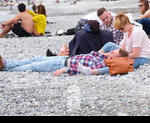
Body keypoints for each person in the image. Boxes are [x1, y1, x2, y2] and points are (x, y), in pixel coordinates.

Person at [0, 48, 129, 76]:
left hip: (62, 64)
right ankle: (7, 63)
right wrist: (106, 54)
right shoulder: (102, 57)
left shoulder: (104, 64)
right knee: (36, 59)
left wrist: (65, 70)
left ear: (116, 59)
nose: (111, 53)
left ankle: (6, 67)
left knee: (34, 66)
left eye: (113, 54)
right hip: (63, 59)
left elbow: (84, 70)